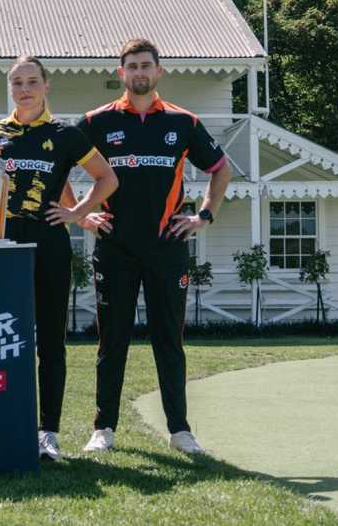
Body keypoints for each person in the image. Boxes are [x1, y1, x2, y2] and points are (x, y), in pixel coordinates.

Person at [76, 38, 232, 455]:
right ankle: (103, 428)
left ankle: (180, 430)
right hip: (115, 248)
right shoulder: (96, 122)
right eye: (132, 66)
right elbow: (55, 165)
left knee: (169, 340)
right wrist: (79, 215)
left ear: (158, 71)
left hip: (167, 248)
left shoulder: (183, 123)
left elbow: (221, 170)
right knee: (113, 341)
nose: (139, 73)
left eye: (146, 65)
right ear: (120, 72)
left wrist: (203, 216)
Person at [0, 56, 118, 461]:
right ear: (9, 89)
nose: (24, 89)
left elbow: (107, 178)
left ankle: (48, 432)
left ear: (47, 86)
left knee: (50, 340)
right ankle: (1, 422)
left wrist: (77, 212)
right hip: (1, 245)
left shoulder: (65, 133)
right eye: (17, 83)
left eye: (32, 82)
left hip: (48, 243)